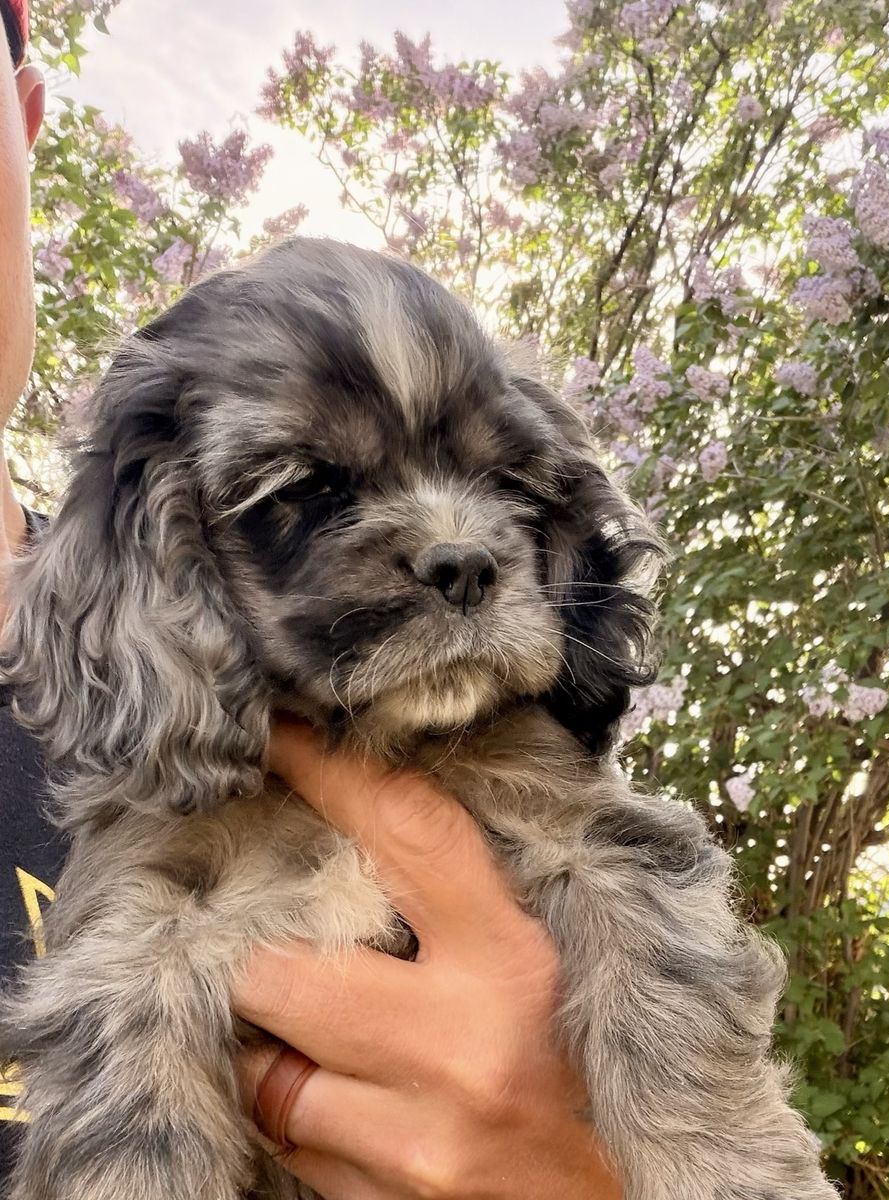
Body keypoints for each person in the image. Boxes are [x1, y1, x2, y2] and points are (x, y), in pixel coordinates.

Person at [0, 4, 623, 1195]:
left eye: (499, 483)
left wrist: (596, 1166)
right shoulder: (154, 766)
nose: (453, 543)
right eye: (304, 490)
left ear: (24, 123)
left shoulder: (510, 750)